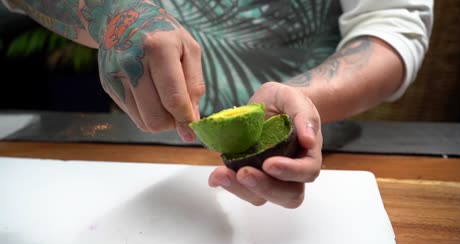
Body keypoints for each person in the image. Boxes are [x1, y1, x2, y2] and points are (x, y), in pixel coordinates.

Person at [2, 0, 433, 208]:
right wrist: (112, 13)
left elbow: (394, 27)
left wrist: (302, 98)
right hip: (135, 142)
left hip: (305, 146)